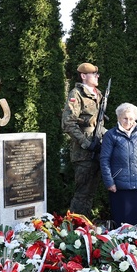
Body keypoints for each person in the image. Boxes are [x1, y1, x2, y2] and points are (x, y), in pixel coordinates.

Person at [100, 103, 137, 228]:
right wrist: (109, 182)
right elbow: (104, 160)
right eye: (125, 118)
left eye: (131, 118)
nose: (128, 121)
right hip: (119, 187)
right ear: (119, 118)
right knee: (121, 225)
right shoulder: (111, 135)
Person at [61, 62, 104, 219]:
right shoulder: (76, 94)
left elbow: (97, 124)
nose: (97, 76)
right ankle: (75, 228)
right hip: (83, 152)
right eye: (94, 74)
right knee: (82, 193)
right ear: (84, 76)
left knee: (91, 192)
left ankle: (86, 226)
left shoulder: (98, 94)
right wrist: (86, 143)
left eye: (97, 74)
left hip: (97, 148)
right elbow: (68, 123)